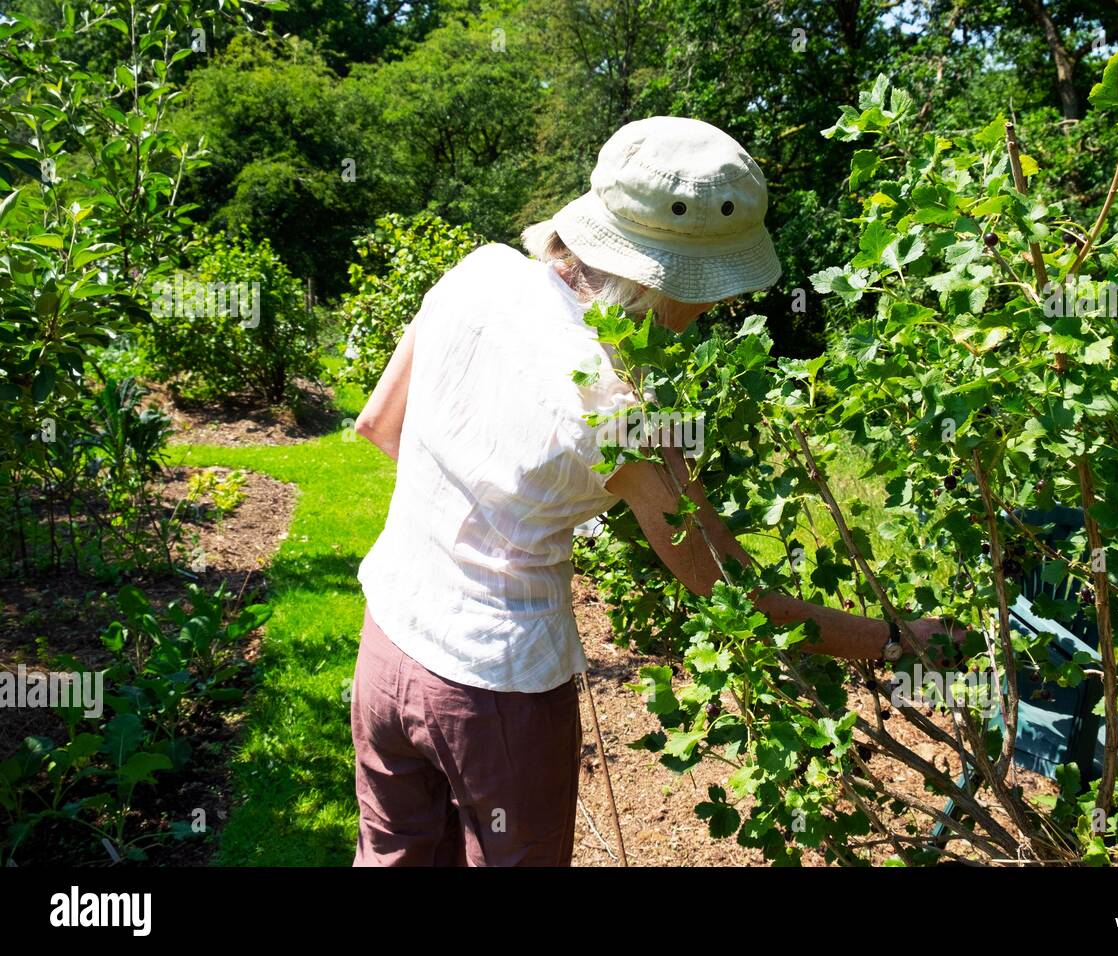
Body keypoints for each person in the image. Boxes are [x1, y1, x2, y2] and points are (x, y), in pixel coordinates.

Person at [349, 116, 958, 867]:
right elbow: (730, 593)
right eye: (710, 290)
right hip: (493, 693)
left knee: (393, 853)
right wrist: (897, 641)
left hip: (386, 644)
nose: (716, 310)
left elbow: (382, 425)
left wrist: (503, 498)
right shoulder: (623, 409)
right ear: (660, 282)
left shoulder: (478, 271)